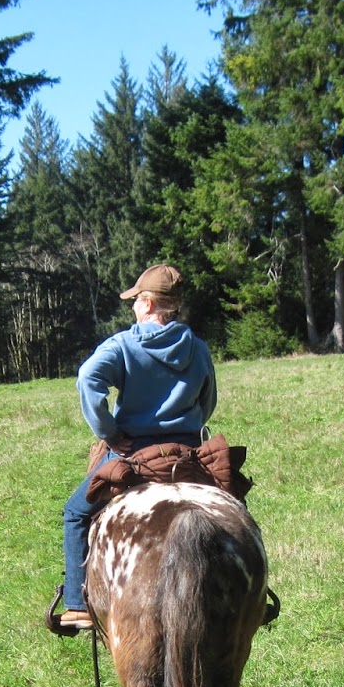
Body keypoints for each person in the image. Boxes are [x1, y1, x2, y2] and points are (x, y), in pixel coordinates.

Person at [55, 264, 216, 632]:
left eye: (136, 299)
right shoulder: (197, 348)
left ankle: (77, 604)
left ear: (148, 303)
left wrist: (109, 433)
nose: (133, 306)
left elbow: (88, 378)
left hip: (133, 453)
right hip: (187, 452)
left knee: (75, 512)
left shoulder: (123, 345)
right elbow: (208, 401)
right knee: (233, 504)